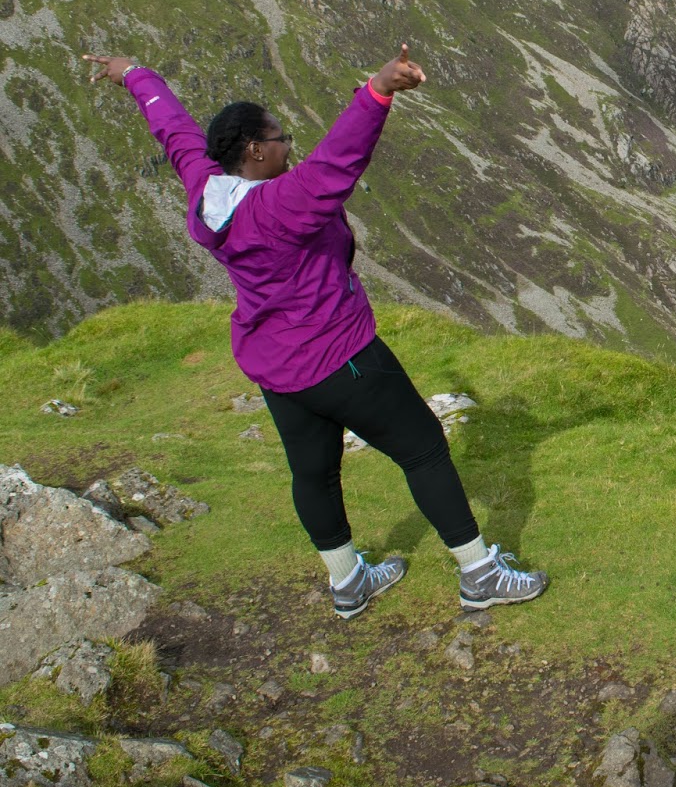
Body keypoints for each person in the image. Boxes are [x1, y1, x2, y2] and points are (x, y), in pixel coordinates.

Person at [84, 46, 548, 619]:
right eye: (279, 138)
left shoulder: (206, 190)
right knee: (424, 448)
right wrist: (378, 91)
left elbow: (174, 131)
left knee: (314, 473)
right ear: (255, 150)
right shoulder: (279, 206)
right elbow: (336, 163)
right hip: (340, 355)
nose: (288, 145)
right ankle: (479, 574)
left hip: (277, 369)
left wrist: (134, 74)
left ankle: (348, 582)